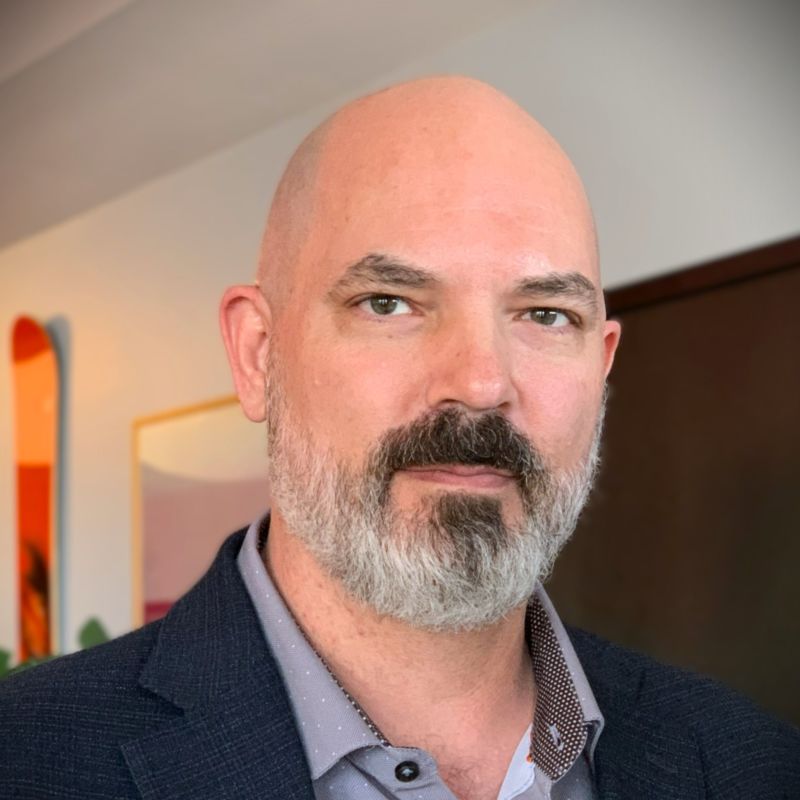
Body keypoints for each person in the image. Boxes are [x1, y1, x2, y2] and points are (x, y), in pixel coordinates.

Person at [0, 76, 797, 800]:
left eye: (546, 315)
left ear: (602, 364)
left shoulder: (754, 766)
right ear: (257, 354)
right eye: (389, 302)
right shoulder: (27, 759)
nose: (480, 382)